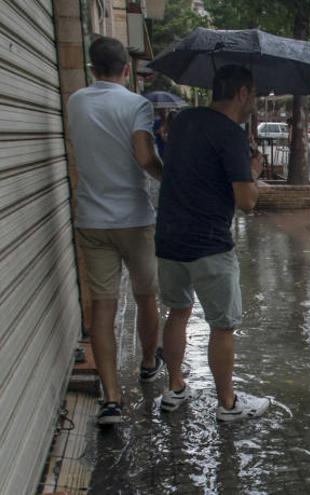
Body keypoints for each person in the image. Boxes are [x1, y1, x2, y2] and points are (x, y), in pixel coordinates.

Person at [155, 64, 270, 422]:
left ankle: (174, 387)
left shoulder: (185, 121)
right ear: (241, 93)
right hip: (209, 244)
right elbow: (247, 201)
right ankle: (228, 404)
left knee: (178, 311)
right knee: (223, 325)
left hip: (169, 237)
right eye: (253, 94)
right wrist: (254, 170)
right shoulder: (230, 134)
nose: (254, 101)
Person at [67, 36, 164, 426]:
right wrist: (166, 175)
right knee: (146, 297)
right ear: (127, 69)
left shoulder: (75, 101)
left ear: (92, 69)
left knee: (102, 307)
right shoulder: (136, 104)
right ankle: (146, 362)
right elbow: (144, 156)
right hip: (135, 218)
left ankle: (111, 398)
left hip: (91, 219)